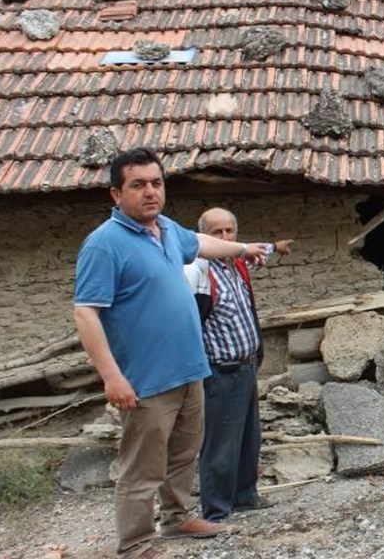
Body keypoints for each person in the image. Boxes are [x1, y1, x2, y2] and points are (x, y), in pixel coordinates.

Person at [73, 147, 270, 559]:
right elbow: (86, 312)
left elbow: (200, 242)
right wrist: (112, 376)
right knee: (142, 467)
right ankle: (135, 543)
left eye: (156, 183)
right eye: (138, 185)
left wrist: (243, 248)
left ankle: (177, 517)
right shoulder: (104, 245)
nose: (150, 192)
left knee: (183, 453)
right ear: (116, 194)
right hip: (146, 379)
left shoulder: (164, 229)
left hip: (190, 370)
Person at [183, 208, 293, 522]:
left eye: (229, 231)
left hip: (246, 367)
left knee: (248, 438)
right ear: (203, 236)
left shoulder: (236, 264)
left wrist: (276, 247)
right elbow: (190, 324)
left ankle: (245, 497)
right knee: (220, 443)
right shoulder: (198, 272)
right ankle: (215, 510)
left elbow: (255, 249)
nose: (225, 238)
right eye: (217, 233)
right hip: (220, 372)